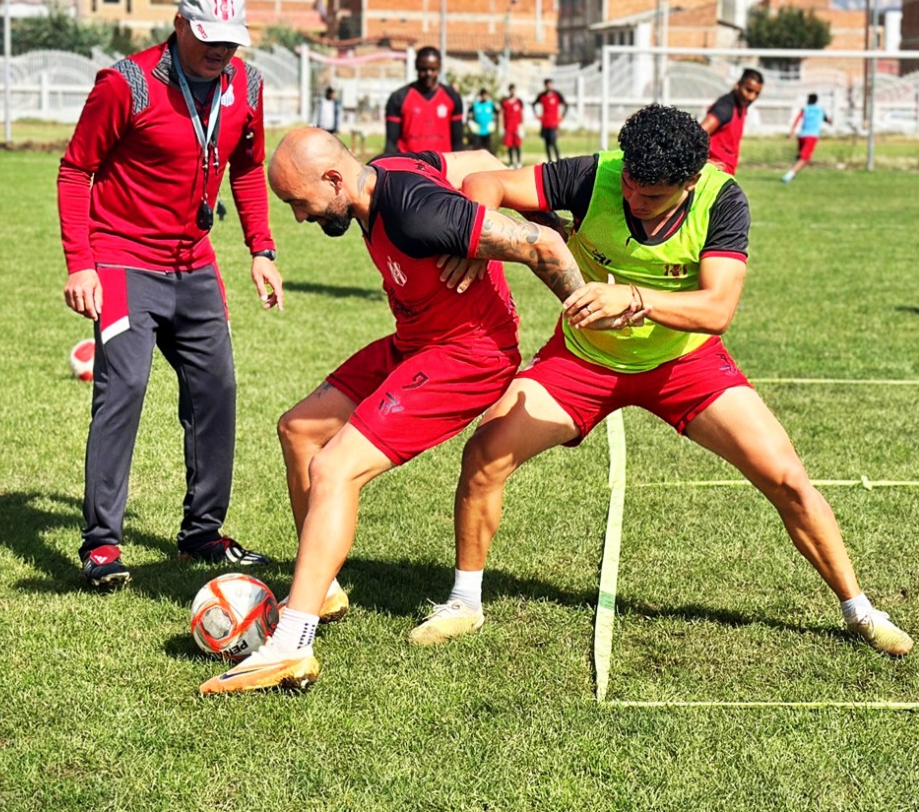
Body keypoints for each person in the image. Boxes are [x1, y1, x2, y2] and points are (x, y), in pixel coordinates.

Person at [406, 104, 915, 658]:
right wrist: (477, 242)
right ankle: (464, 602)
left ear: (689, 182)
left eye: (650, 195)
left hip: (683, 365)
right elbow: (484, 181)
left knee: (786, 476)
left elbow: (717, 308)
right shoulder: (594, 173)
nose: (631, 199)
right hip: (582, 360)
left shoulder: (723, 199)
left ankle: (859, 609)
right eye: (628, 183)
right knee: (485, 452)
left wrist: (635, 298)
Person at [198, 131, 634, 695]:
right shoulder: (386, 171)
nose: (299, 217)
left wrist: (589, 314)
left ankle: (291, 645)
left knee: (335, 469)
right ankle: (321, 589)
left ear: (334, 180)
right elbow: (478, 161)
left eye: (298, 202)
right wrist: (474, 218)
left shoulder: (413, 213)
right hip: (417, 340)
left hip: (467, 357)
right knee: (300, 430)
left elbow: (544, 245)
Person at [57, 0, 285, 589]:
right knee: (124, 389)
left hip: (196, 264)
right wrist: (81, 262)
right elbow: (76, 169)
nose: (220, 54)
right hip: (123, 261)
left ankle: (203, 533)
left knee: (217, 390)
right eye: (209, 40)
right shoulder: (126, 83)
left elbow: (248, 166)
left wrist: (261, 249)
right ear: (180, 25)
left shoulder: (248, 87)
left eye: (231, 43)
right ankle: (102, 546)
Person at [385, 46, 463, 154]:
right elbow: (391, 143)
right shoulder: (398, 98)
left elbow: (458, 143)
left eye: (433, 69)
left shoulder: (452, 97)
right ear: (416, 66)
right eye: (423, 69)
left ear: (439, 68)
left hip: (442, 165)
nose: (428, 74)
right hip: (410, 165)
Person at [700, 69, 763, 176]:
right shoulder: (725, 108)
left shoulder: (741, 106)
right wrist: (706, 163)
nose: (752, 97)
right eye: (749, 90)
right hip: (712, 175)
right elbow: (697, 134)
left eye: (757, 93)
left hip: (724, 175)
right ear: (737, 85)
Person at [781, 93, 828, 183]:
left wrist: (792, 132)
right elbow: (826, 119)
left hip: (802, 135)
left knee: (800, 156)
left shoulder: (805, 109)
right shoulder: (820, 110)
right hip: (812, 136)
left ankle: (793, 173)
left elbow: (797, 119)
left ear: (809, 100)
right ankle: (789, 175)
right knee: (805, 158)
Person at [533, 78, 568, 162]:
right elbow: (533, 104)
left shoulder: (557, 94)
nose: (549, 86)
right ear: (545, 86)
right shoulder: (542, 95)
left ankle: (559, 160)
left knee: (553, 142)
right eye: (547, 84)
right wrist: (537, 115)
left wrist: (562, 116)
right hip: (545, 123)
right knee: (547, 143)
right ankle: (550, 161)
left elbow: (566, 105)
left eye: (550, 84)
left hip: (553, 124)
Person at [500, 84, 525, 167]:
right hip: (508, 127)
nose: (512, 91)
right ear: (509, 90)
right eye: (511, 90)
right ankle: (511, 162)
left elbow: (522, 114)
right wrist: (501, 127)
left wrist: (522, 126)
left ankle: (518, 162)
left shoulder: (519, 101)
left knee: (517, 145)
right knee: (509, 145)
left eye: (514, 89)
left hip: (516, 127)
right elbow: (501, 114)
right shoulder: (505, 102)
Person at [468, 88, 496, 153]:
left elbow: (498, 112)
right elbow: (468, 113)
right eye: (482, 95)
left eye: (485, 95)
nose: (484, 96)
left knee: (487, 149)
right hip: (478, 131)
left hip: (487, 131)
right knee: (476, 149)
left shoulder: (490, 104)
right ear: (480, 95)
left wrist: (494, 122)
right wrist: (471, 123)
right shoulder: (476, 105)